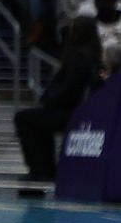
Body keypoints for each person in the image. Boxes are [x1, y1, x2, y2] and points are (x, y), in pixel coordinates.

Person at [15, 17, 103, 180]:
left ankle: (40, 169)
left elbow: (70, 90)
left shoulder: (80, 56)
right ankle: (46, 168)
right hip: (81, 111)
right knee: (40, 119)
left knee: (23, 119)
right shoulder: (93, 55)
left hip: (73, 113)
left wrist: (49, 99)